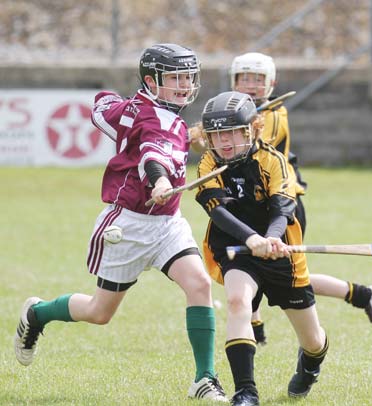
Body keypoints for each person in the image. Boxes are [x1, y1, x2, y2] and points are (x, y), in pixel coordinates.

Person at [13, 43, 227, 402]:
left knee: (199, 284)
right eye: (175, 78)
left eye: (188, 76)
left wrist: (181, 136)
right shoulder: (157, 120)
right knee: (99, 313)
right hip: (129, 225)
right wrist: (159, 180)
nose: (186, 85)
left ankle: (204, 379)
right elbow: (151, 155)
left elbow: (104, 107)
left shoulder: (138, 107)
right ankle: (37, 314)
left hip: (167, 223)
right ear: (150, 80)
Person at [230, 52, 372, 344]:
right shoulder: (232, 114)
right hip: (252, 204)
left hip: (282, 206)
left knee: (285, 278)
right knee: (257, 270)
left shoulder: (274, 115)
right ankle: (365, 295)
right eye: (244, 78)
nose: (250, 84)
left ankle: (365, 296)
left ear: (271, 83)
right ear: (233, 81)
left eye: (258, 79)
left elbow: (250, 147)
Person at [196, 91, 329, 405]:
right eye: (216, 135)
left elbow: (282, 208)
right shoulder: (208, 163)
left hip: (283, 251)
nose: (224, 142)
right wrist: (251, 240)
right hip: (235, 247)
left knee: (312, 340)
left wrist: (271, 238)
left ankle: (311, 365)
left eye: (232, 133)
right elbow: (218, 210)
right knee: (238, 302)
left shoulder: (273, 159)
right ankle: (245, 392)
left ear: (250, 130)